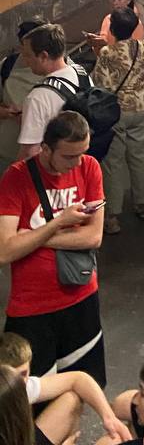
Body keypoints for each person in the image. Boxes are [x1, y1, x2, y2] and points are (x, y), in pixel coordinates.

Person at [0, 112, 106, 384]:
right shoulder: (16, 178)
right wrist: (60, 222)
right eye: (69, 156)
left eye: (82, 153)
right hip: (32, 307)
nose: (77, 162)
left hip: (81, 295)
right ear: (45, 149)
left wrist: (35, 237)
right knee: (29, 392)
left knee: (84, 383)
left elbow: (94, 237)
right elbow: (5, 251)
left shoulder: (90, 167)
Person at [92, 6, 144, 234]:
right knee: (140, 157)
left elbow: (100, 85)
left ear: (112, 29)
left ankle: (112, 216)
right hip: (142, 109)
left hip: (116, 113)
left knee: (113, 163)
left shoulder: (106, 53)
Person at [0, 330, 126, 444]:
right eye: (12, 377)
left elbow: (77, 379)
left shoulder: (26, 387)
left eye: (23, 374)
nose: (20, 382)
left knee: (72, 398)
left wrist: (109, 418)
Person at [16, 25, 85, 161]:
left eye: (28, 55)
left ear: (43, 56)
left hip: (57, 168)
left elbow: (30, 153)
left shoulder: (37, 97)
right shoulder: (80, 73)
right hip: (85, 161)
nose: (25, 61)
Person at [0, 22, 43, 172]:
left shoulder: (63, 70)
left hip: (42, 158)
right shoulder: (8, 65)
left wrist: (33, 116)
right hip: (7, 153)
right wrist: (5, 112)